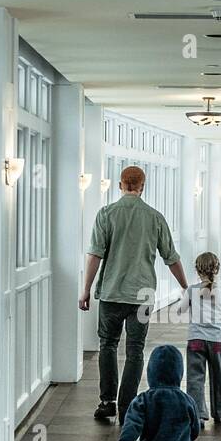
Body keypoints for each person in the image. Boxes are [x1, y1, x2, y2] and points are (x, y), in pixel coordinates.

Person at [79, 165, 189, 425]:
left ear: (120, 185)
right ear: (143, 186)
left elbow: (95, 255)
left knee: (107, 344)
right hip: (141, 296)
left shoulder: (106, 214)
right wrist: (186, 286)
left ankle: (107, 402)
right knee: (135, 350)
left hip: (111, 293)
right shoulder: (154, 217)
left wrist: (85, 289)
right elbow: (171, 258)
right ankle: (128, 405)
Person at [176, 251, 221, 424]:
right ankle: (219, 413)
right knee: (217, 376)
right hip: (216, 341)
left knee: (195, 378)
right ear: (216, 270)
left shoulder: (191, 291)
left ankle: (198, 415)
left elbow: (180, 310)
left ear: (197, 270)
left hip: (196, 341)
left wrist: (183, 297)